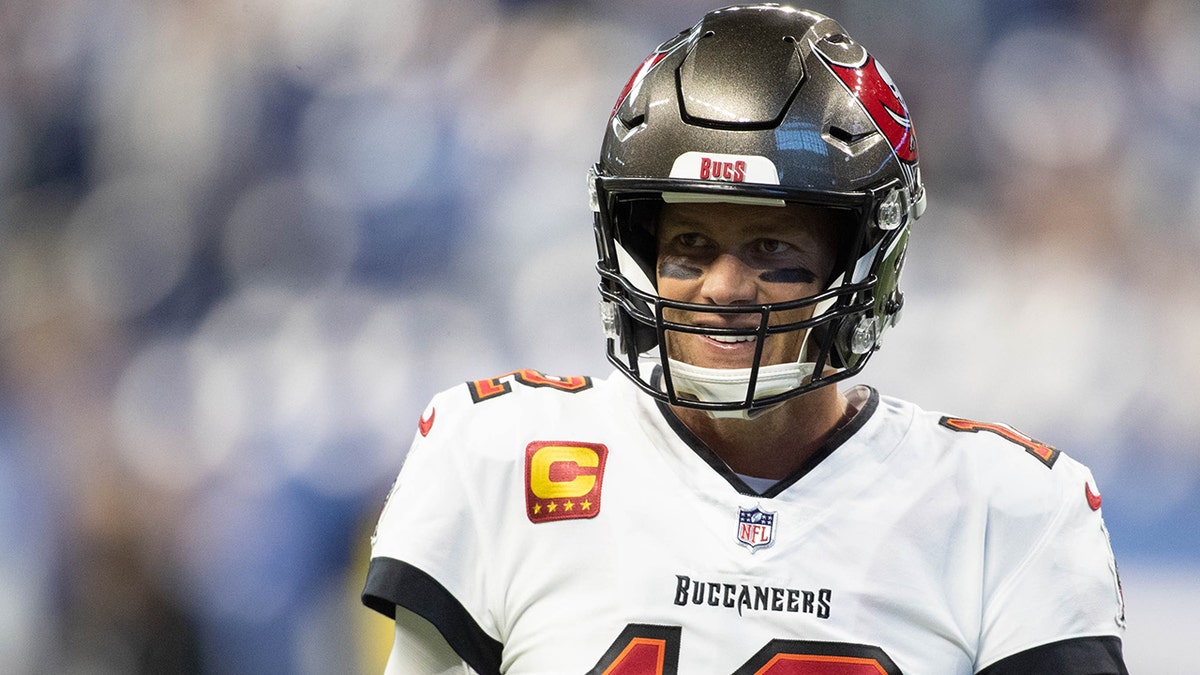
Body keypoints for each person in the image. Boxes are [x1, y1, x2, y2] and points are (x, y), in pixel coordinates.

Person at [362, 4, 1128, 673]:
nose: (723, 287)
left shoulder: (1008, 510)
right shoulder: (496, 457)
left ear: (864, 256)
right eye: (689, 243)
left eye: (773, 249)